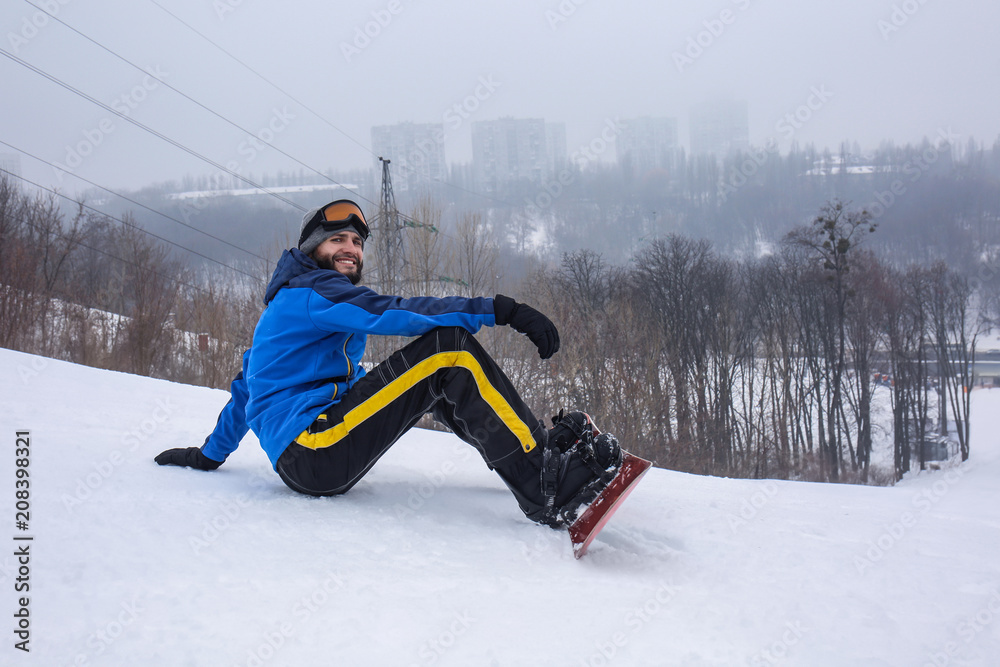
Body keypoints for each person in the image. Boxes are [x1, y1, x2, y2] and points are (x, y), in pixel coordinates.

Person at [155, 199, 621, 528]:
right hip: (314, 449)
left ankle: (536, 454)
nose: (350, 249)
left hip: (309, 456)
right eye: (336, 238)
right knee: (447, 350)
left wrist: (207, 456)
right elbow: (395, 312)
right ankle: (544, 488)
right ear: (311, 249)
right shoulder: (313, 292)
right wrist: (501, 310)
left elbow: (245, 391)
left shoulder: (287, 306)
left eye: (356, 242)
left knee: (434, 382)